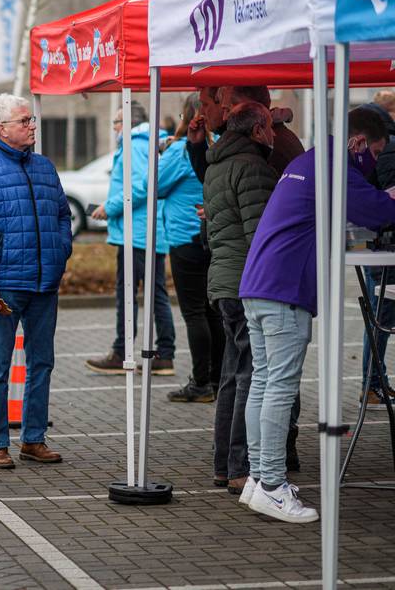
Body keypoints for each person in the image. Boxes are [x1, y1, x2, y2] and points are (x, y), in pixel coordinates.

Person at [236, 108, 395, 523]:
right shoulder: (333, 167)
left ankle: (257, 478)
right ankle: (270, 485)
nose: (373, 164)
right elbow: (379, 212)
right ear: (358, 142)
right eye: (374, 154)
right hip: (284, 290)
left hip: (259, 285)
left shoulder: (307, 161)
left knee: (264, 383)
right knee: (278, 389)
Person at [0, 93, 72, 469]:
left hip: (44, 284)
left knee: (42, 363)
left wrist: (60, 254)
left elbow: (62, 216)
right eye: (24, 121)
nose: (32, 126)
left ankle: (33, 439)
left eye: (31, 120)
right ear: (2, 128)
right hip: (5, 286)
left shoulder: (44, 168)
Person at [204, 100, 279, 495]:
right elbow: (262, 237)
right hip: (245, 283)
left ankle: (224, 465)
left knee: (232, 377)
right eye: (269, 126)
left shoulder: (217, 164)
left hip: (223, 281)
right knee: (251, 377)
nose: (273, 135)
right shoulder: (252, 168)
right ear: (256, 131)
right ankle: (238, 467)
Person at [86, 102, 176, 376]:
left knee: (130, 293)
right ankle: (163, 353)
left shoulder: (135, 145)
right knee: (153, 292)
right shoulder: (149, 142)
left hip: (135, 232)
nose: (114, 128)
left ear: (129, 123)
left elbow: (140, 186)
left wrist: (110, 207)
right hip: (146, 230)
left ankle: (124, 351)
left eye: (116, 122)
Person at [163, 94, 225, 403]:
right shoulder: (216, 148)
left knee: (194, 312)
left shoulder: (179, 150)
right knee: (213, 311)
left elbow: (155, 186)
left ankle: (201, 382)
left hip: (185, 237)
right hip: (212, 235)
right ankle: (217, 377)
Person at [357, 97, 395, 407]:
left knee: (379, 317)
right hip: (383, 249)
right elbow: (380, 203)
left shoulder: (380, 147)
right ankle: (372, 382)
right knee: (381, 318)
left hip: (377, 247)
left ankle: (374, 381)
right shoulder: (386, 149)